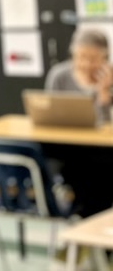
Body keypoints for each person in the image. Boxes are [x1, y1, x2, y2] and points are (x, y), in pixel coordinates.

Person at [44, 26, 113, 218]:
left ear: (104, 59)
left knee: (99, 172)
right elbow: (51, 114)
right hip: (69, 149)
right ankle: (86, 221)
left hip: (102, 152)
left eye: (93, 59)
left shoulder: (110, 79)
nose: (86, 64)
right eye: (81, 57)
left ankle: (88, 221)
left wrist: (104, 95)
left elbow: (107, 126)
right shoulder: (60, 76)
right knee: (84, 173)